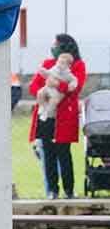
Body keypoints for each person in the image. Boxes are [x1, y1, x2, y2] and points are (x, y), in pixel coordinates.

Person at [28, 34, 86, 199]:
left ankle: (69, 190)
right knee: (48, 154)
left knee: (64, 153)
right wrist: (47, 91)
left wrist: (58, 85)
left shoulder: (78, 66)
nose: (53, 47)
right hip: (46, 116)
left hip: (64, 117)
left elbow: (75, 89)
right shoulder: (47, 65)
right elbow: (34, 87)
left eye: (56, 44)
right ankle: (52, 190)